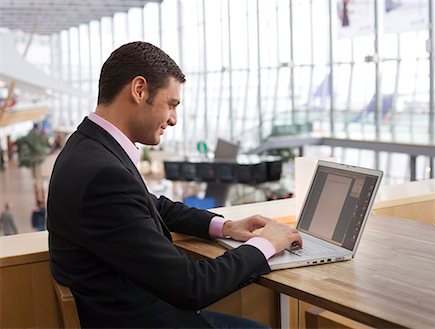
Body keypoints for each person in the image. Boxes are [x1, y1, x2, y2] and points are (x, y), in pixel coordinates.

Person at [47, 41, 302, 329]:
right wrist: (265, 244)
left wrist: (224, 226)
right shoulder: (103, 174)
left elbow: (150, 205)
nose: (173, 119)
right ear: (139, 90)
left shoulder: (87, 148)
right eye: (171, 104)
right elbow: (191, 287)